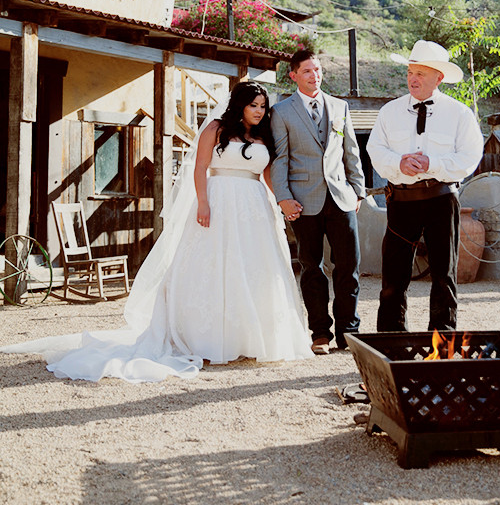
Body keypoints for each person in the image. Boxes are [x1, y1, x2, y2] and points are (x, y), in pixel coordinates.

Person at [0, 82, 312, 381]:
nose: (258, 111)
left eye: (262, 106)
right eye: (252, 105)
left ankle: (249, 338)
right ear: (239, 105)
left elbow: (268, 174)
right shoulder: (216, 128)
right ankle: (207, 339)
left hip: (253, 207)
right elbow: (200, 166)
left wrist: (283, 202)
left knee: (254, 268)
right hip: (219, 200)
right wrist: (203, 203)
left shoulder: (263, 137)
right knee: (213, 265)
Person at [367, 40, 483, 333]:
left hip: (440, 201)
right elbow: (376, 151)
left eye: (421, 73)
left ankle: (442, 342)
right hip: (400, 200)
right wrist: (399, 164)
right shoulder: (388, 112)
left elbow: (469, 158)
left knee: (444, 275)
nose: (413, 79)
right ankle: (390, 340)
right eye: (410, 72)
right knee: (393, 276)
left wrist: (432, 163)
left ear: (439, 78)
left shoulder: (460, 114)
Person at [270, 48, 366, 355]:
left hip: (341, 198)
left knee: (348, 266)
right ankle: (320, 334)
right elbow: (280, 159)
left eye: (318, 69)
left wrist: (359, 191)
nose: (315, 75)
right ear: (294, 75)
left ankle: (349, 332)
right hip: (303, 201)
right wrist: (283, 197)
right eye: (308, 71)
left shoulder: (340, 107)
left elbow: (351, 152)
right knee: (312, 268)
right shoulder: (282, 111)